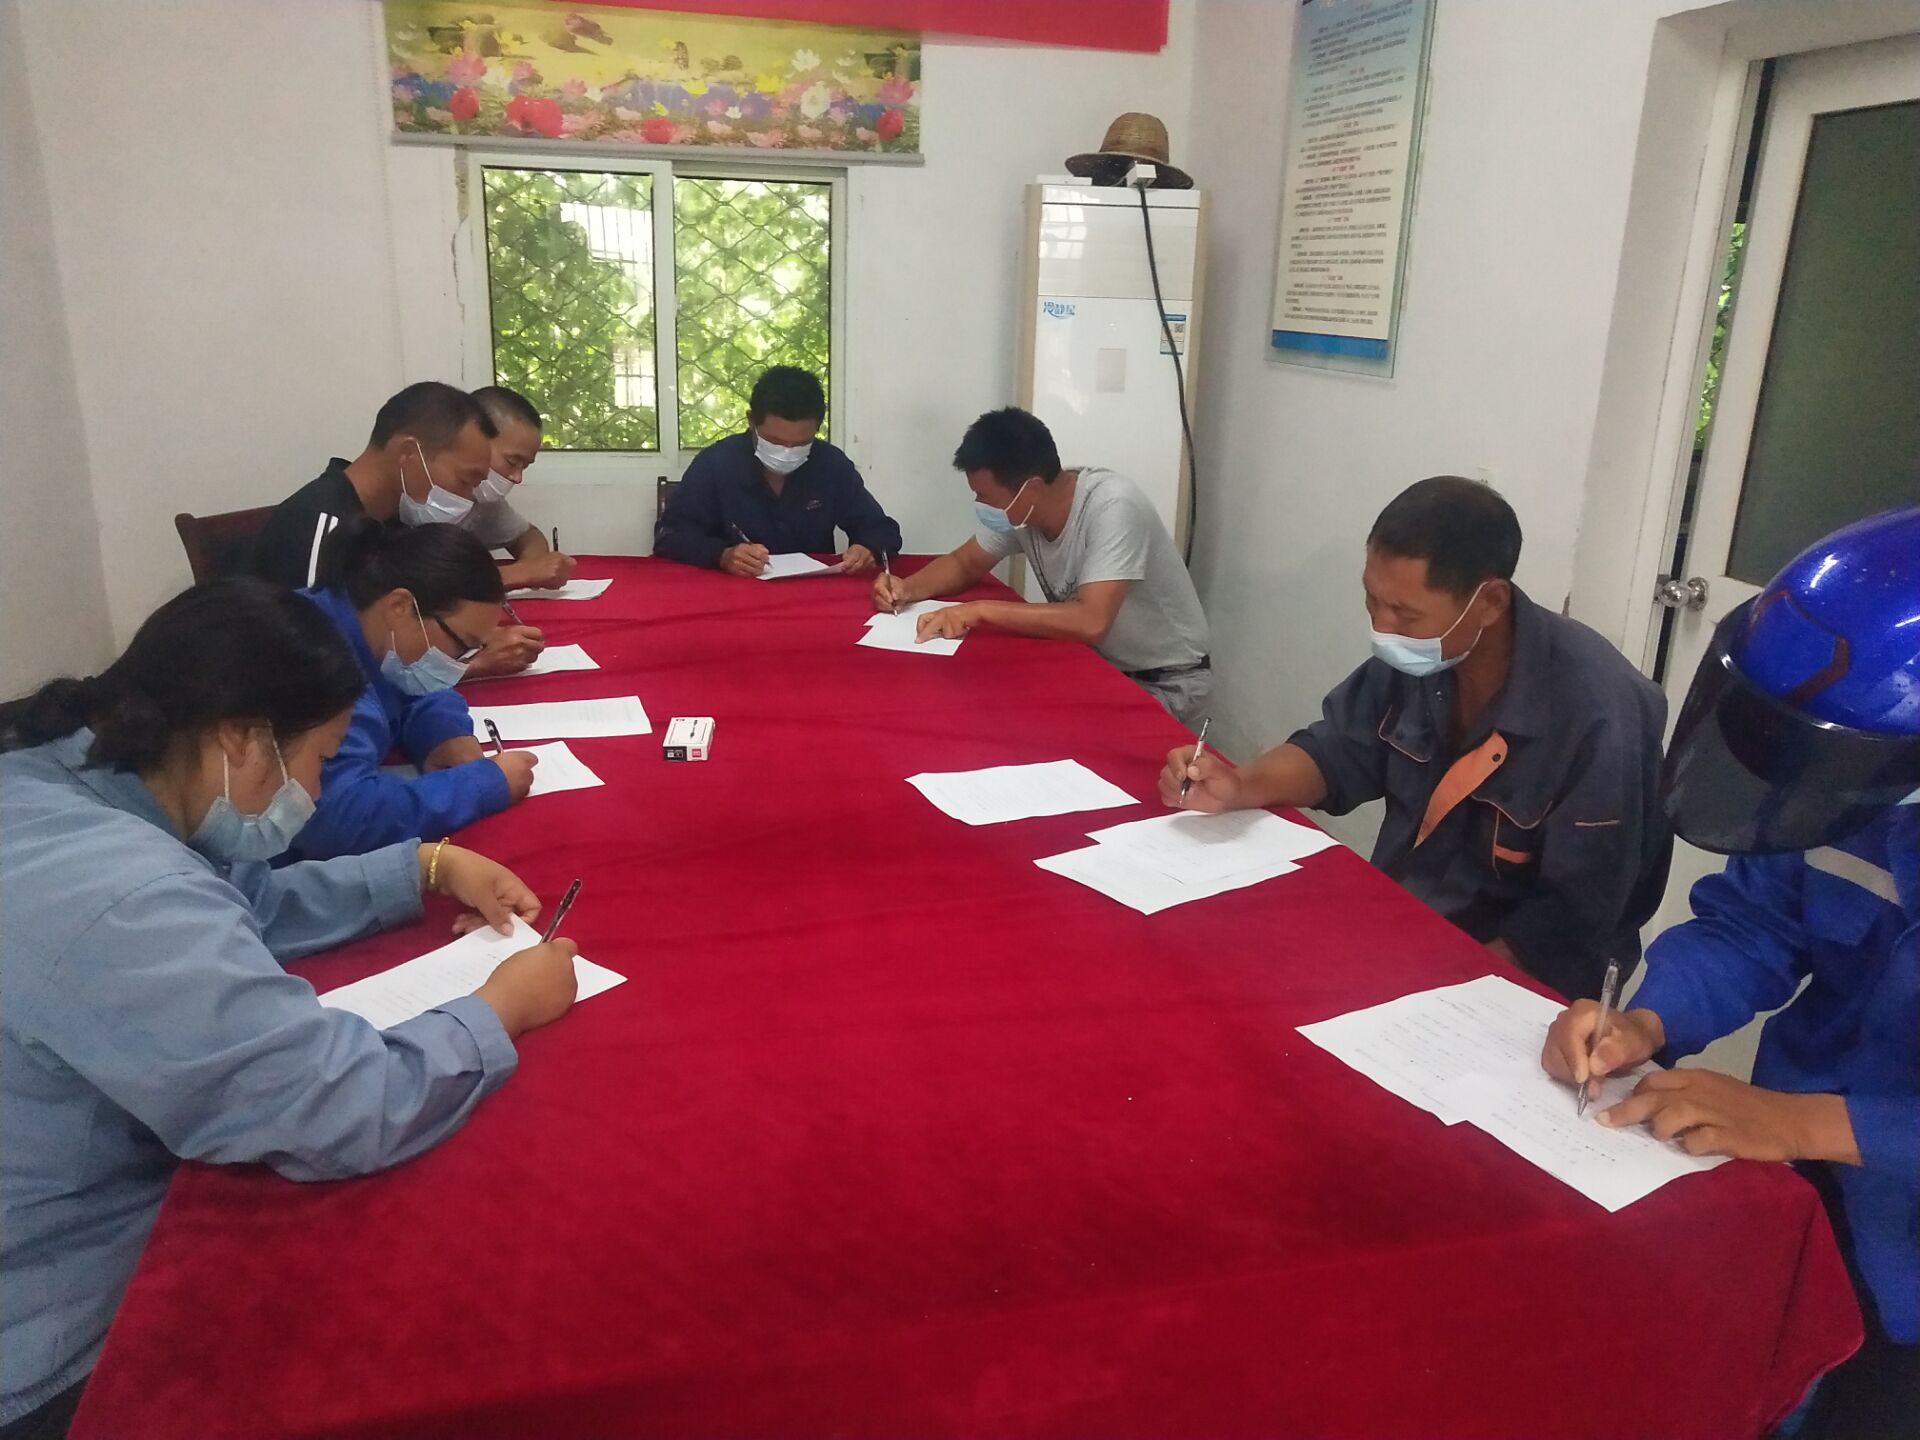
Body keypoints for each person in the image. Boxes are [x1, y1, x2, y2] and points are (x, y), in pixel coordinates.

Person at [0, 578, 580, 1439]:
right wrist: (500, 1008)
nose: (312, 792)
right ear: (240, 738)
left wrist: (424, 866)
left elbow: (232, 900)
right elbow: (338, 1106)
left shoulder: (66, 773)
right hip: (53, 1343)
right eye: (317, 760)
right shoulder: (122, 896)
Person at [1541, 508, 1919, 1440]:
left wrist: (1805, 1121)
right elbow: (1754, 923)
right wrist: (1648, 1023)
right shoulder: (1851, 785)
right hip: (1817, 1183)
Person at [1160, 477, 1670, 999]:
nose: (1383, 629)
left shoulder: (1600, 718)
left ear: (1490, 601)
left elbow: (1573, 919)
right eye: (1371, 600)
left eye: (1405, 614)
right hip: (1401, 931)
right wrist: (1241, 785)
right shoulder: (1426, 657)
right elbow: (1337, 751)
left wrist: (1431, 985)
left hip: (1522, 986)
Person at [871, 407, 1212, 727]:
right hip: (1101, 667)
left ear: (1031, 488)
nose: (980, 504)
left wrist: (979, 610)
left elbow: (1092, 620)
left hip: (1167, 682)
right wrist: (905, 588)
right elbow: (965, 563)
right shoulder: (1025, 511)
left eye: (985, 496)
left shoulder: (1113, 507)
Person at [250, 381, 544, 678]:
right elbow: (311, 675)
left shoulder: (395, 518)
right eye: (466, 480)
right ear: (407, 453)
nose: (468, 498)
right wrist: (465, 666)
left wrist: (464, 639)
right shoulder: (321, 529)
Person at [290, 520, 538, 862]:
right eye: (462, 645)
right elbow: (339, 819)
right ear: (401, 606)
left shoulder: (366, 622)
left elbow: (416, 687)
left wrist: (445, 734)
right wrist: (482, 785)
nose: (458, 662)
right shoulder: (320, 666)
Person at [654, 365, 901, 578]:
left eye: (800, 443)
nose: (787, 452)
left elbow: (883, 530)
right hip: (733, 592)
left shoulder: (830, 464)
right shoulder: (715, 463)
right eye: (775, 442)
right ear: (751, 421)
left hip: (810, 593)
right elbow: (670, 536)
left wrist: (868, 548)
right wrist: (722, 555)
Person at [468, 385, 577, 592]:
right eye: (511, 461)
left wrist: (532, 565)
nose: (517, 478)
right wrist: (518, 574)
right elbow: (421, 584)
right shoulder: (425, 503)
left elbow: (528, 536)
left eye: (524, 467)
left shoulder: (482, 501)